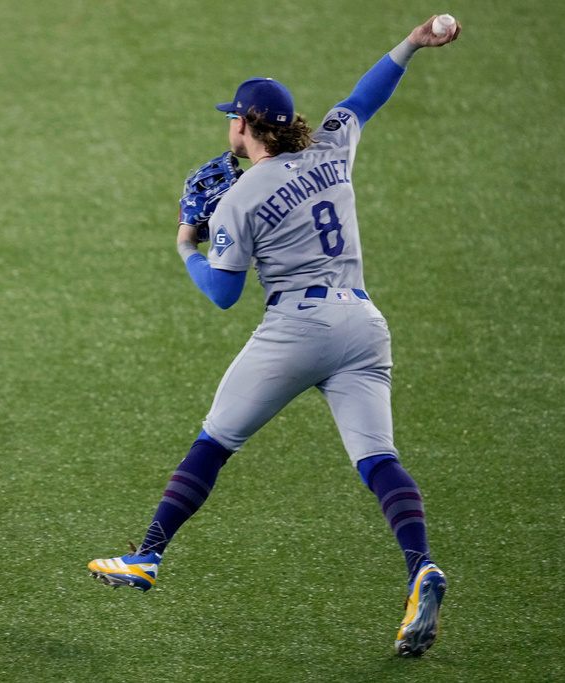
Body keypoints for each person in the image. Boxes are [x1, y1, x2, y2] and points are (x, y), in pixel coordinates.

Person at [87, 16, 461, 656]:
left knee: (216, 439)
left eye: (231, 117)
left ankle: (147, 555)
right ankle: (419, 565)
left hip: (298, 329)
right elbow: (364, 96)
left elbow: (224, 292)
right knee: (378, 459)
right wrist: (413, 42)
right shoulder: (331, 149)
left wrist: (184, 245)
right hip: (364, 327)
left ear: (243, 125)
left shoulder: (240, 198)